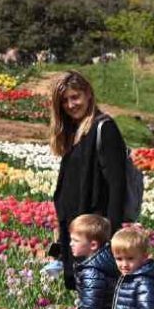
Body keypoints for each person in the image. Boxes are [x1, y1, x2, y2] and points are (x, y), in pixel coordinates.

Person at [45, 71, 130, 289]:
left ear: (88, 95)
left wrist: (111, 240)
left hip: (94, 234)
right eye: (64, 100)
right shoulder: (74, 131)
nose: (71, 104)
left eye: (76, 97)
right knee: (81, 294)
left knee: (93, 296)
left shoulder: (104, 128)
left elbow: (116, 186)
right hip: (75, 231)